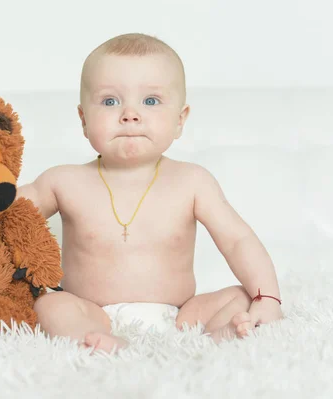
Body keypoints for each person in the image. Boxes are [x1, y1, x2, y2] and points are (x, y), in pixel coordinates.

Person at [17, 33, 283, 352]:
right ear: (84, 119)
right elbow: (9, 211)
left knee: (240, 295)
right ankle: (94, 341)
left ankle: (215, 337)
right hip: (92, 312)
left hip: (181, 316)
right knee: (50, 304)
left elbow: (237, 239)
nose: (130, 114)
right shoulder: (63, 181)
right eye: (110, 101)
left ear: (179, 120)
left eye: (151, 101)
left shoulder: (193, 181)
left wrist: (266, 297)